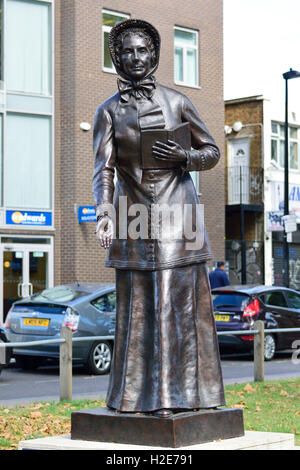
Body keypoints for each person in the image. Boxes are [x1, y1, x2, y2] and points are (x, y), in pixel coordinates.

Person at [93, 19, 225, 417]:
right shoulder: (108, 111)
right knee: (137, 306)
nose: (135, 58)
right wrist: (103, 211)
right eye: (127, 51)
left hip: (178, 216)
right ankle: (132, 399)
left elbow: (212, 151)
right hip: (134, 215)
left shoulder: (177, 101)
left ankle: (180, 398)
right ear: (117, 56)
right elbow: (104, 168)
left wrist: (185, 157)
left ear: (154, 54)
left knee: (176, 304)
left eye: (142, 50)